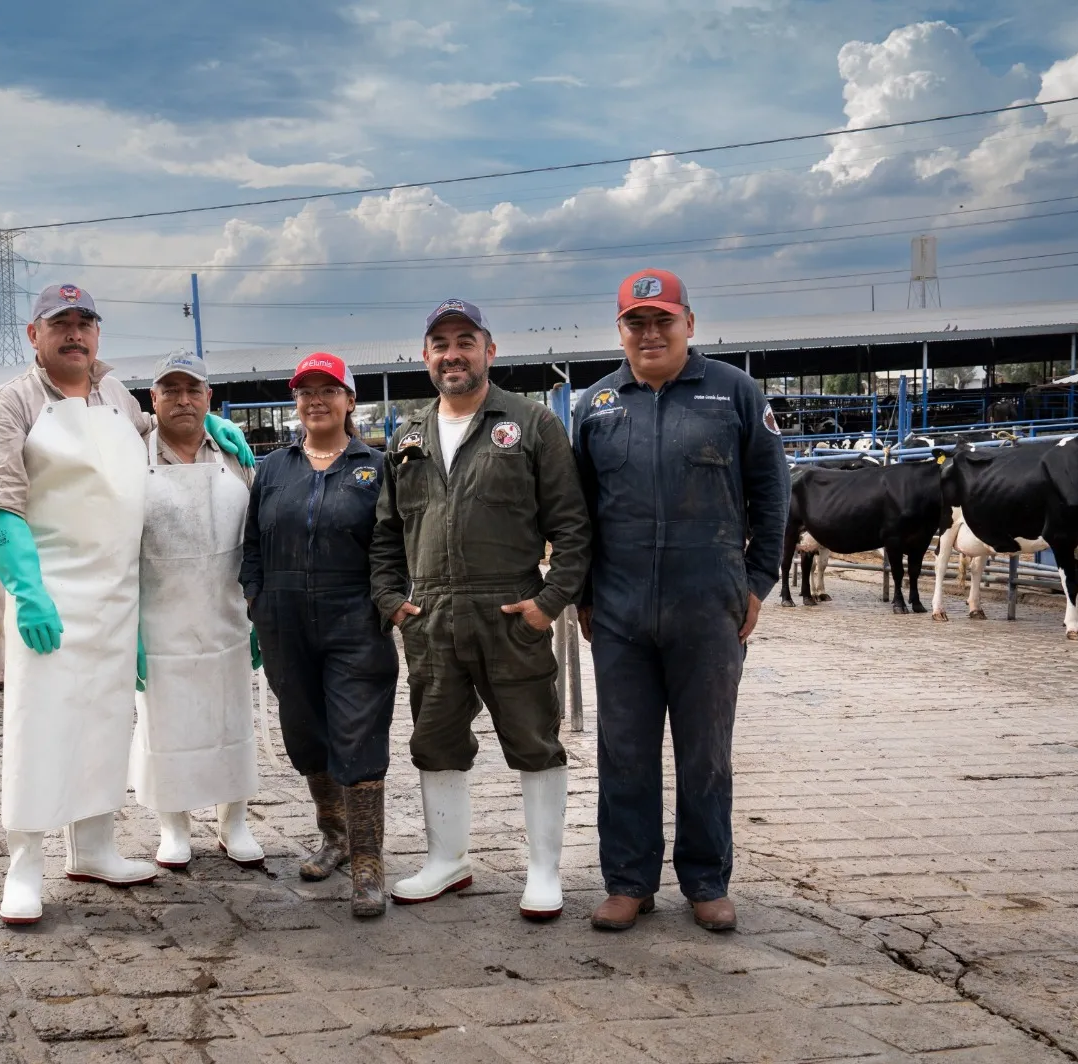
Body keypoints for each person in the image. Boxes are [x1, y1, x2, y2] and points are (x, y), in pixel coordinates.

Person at [0, 283, 253, 925]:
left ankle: (94, 847)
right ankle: (24, 866)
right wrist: (28, 592)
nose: (75, 334)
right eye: (60, 323)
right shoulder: (11, 404)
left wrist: (205, 420)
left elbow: (154, 429)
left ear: (98, 334)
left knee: (105, 721)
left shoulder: (115, 395)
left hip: (118, 591)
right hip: (50, 590)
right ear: (33, 335)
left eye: (85, 323)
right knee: (40, 724)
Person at [573, 269, 789, 933]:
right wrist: (582, 593)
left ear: (689, 324)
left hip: (708, 604)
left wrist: (757, 581)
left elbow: (773, 493)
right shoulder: (597, 406)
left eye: (662, 320)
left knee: (705, 751)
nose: (650, 333)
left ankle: (705, 880)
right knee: (626, 750)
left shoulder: (734, 394)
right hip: (620, 608)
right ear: (620, 331)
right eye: (635, 323)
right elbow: (577, 510)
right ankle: (629, 882)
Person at [369, 300, 591, 920]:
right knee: (435, 740)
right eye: (439, 343)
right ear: (425, 357)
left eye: (465, 340)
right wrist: (393, 602)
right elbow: (386, 534)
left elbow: (573, 527)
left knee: (535, 740)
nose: (452, 354)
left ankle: (544, 871)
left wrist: (548, 605)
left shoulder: (530, 424)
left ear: (490, 351)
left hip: (509, 610)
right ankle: (448, 861)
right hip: (431, 615)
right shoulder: (407, 437)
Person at [241, 353, 399, 917]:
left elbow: (394, 543)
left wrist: (390, 599)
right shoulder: (274, 468)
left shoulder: (377, 467)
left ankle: (367, 861)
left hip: (353, 614)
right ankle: (333, 836)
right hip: (283, 616)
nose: (315, 400)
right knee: (304, 732)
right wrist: (255, 594)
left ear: (350, 400)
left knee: (358, 733)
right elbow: (252, 542)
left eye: (328, 390)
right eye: (305, 391)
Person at [131, 352, 264, 871]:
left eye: (194, 391)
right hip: (160, 619)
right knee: (165, 726)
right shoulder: (133, 454)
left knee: (231, 721)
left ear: (209, 399)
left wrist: (258, 610)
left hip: (228, 616)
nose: (183, 400)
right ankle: (174, 827)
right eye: (171, 390)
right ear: (154, 400)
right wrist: (131, 628)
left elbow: (255, 537)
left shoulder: (235, 457)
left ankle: (235, 823)